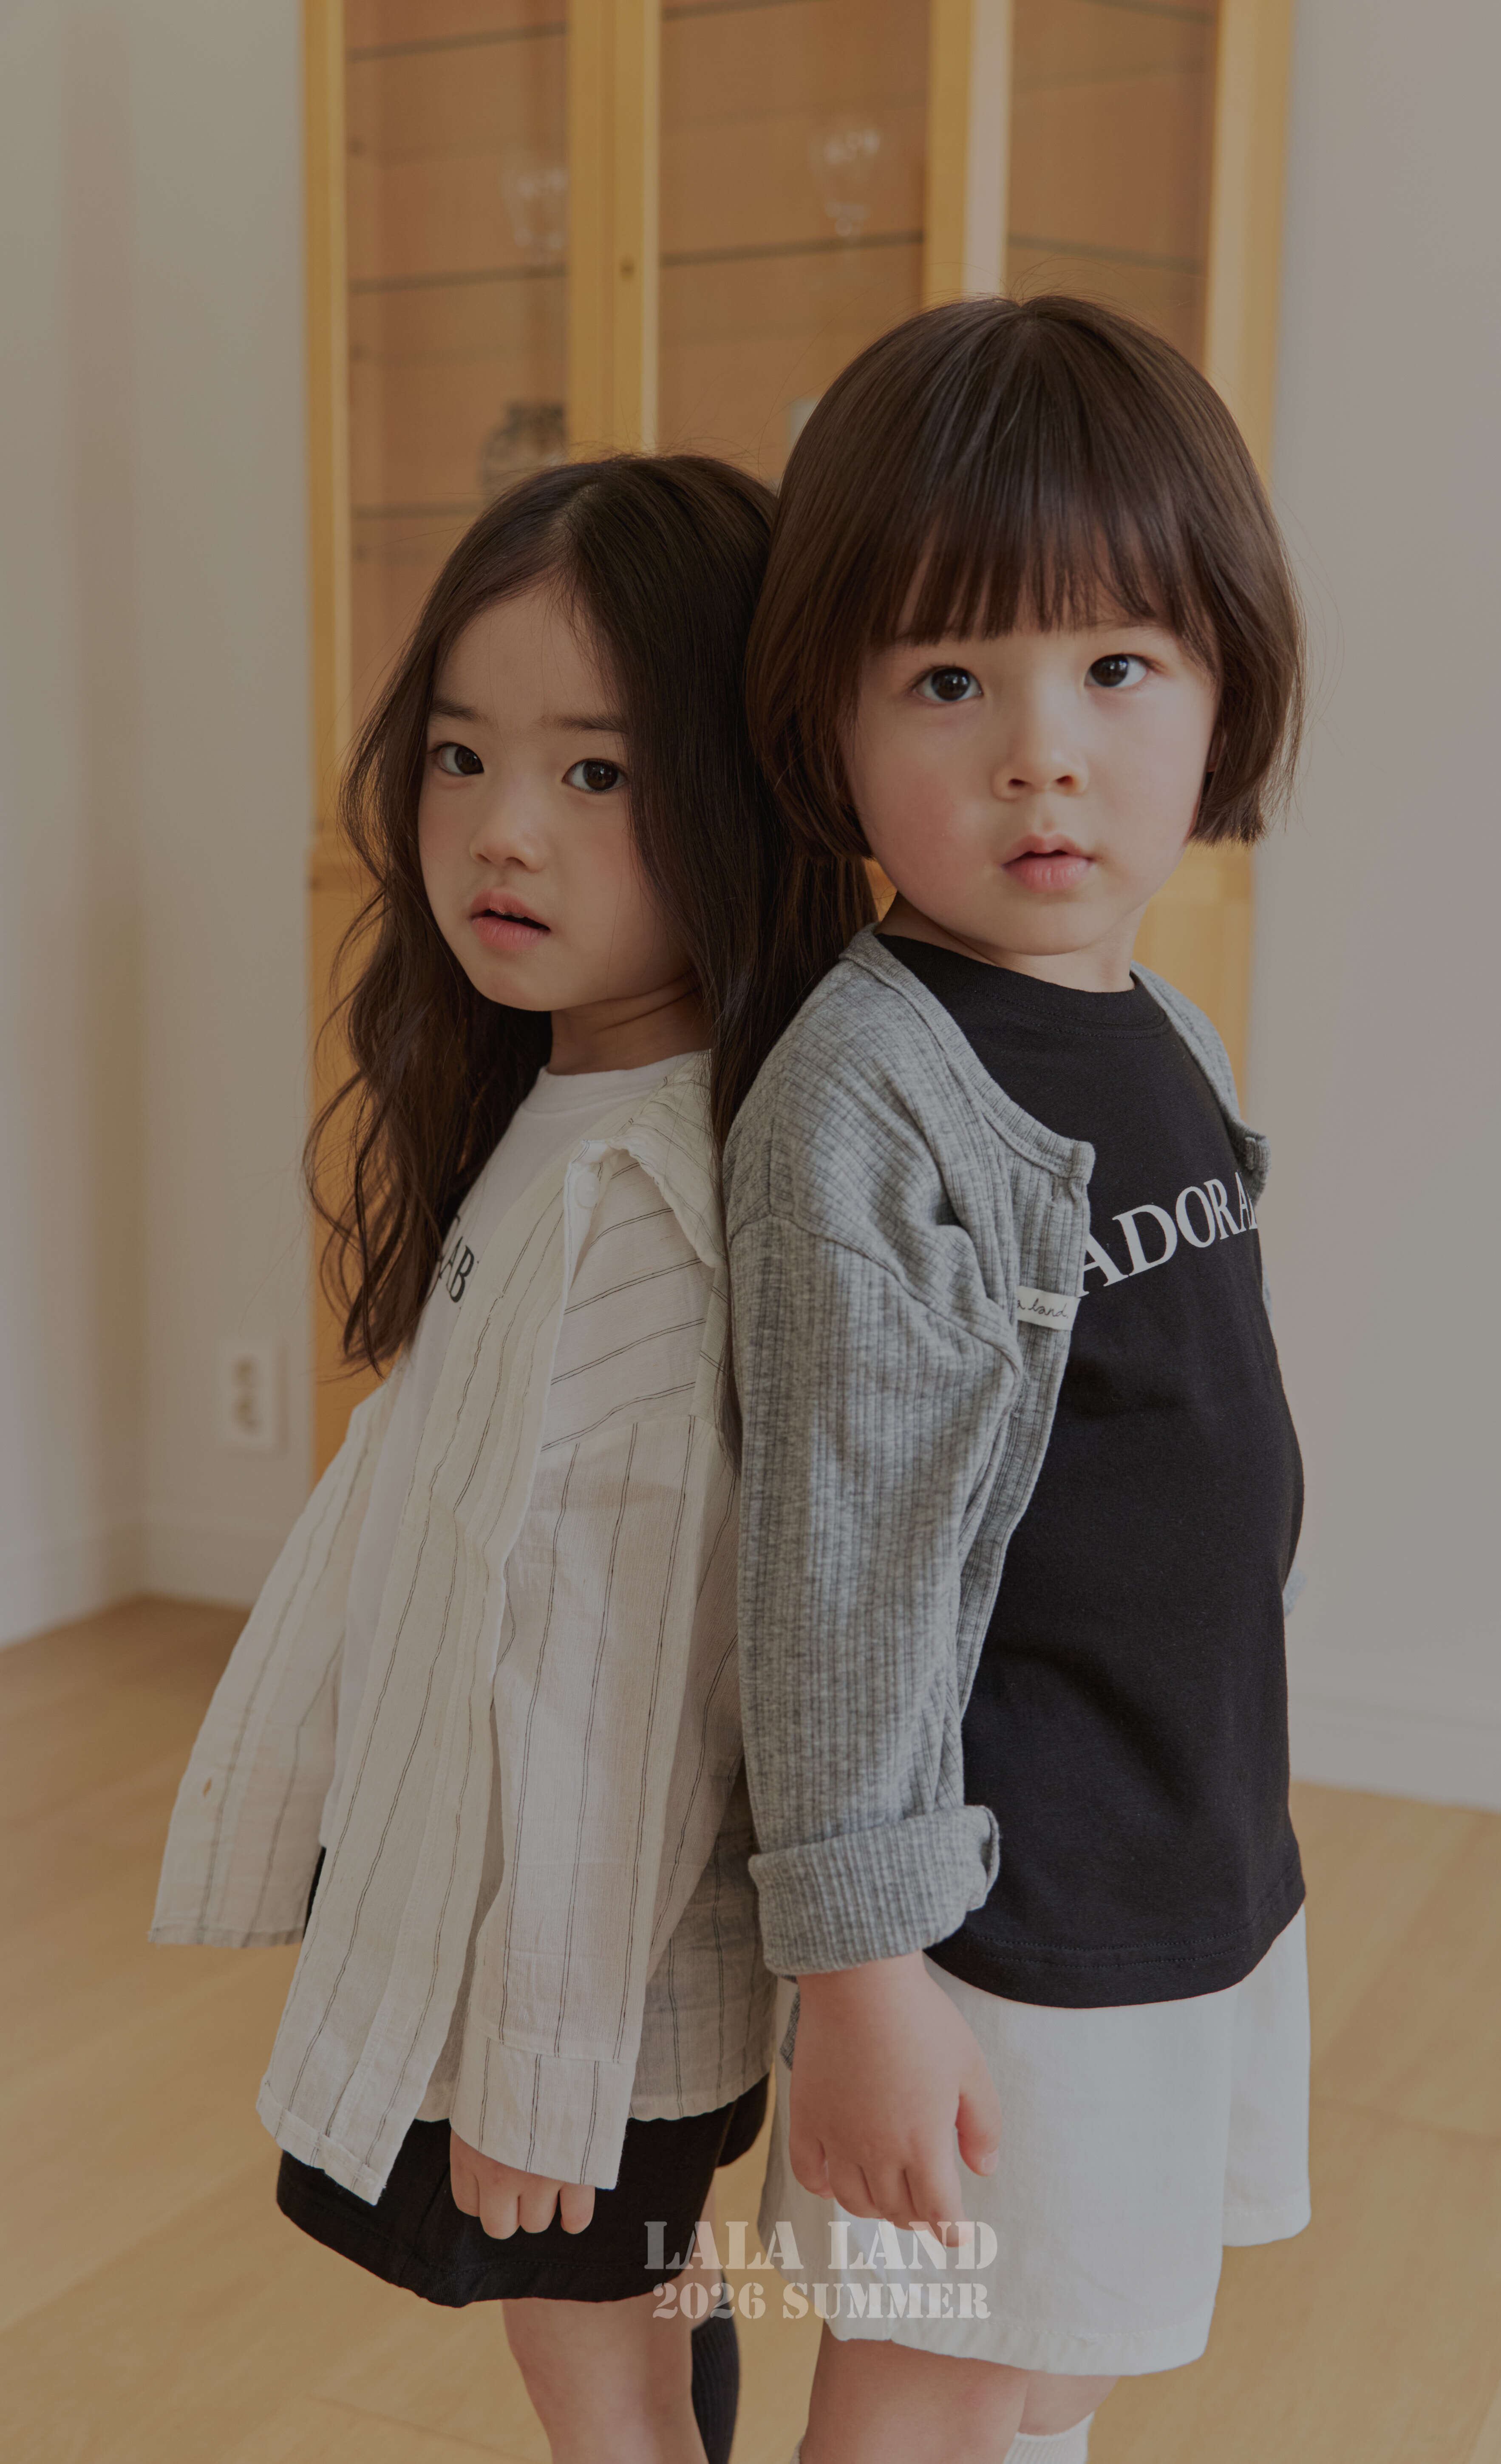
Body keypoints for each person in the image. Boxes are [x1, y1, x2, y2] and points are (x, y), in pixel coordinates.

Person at [151, 453, 873, 2464]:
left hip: (575, 1968)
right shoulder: (575, 1103)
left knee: (600, 2385)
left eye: (597, 772)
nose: (501, 829)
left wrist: (547, 2052)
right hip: (541, 1930)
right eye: (463, 754)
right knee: (634, 2329)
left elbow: (611, 1669)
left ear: (744, 792)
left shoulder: (640, 1195)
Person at [722, 295, 1311, 2464]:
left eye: (1116, 666)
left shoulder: (1159, 1026)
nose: (1039, 751)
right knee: (938, 2384)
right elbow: (832, 1586)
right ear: (831, 720)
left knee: (1067, 2351)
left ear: (1224, 688)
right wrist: (864, 1977)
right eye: (949, 679)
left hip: (1183, 1837)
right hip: (998, 1911)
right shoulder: (871, 1099)